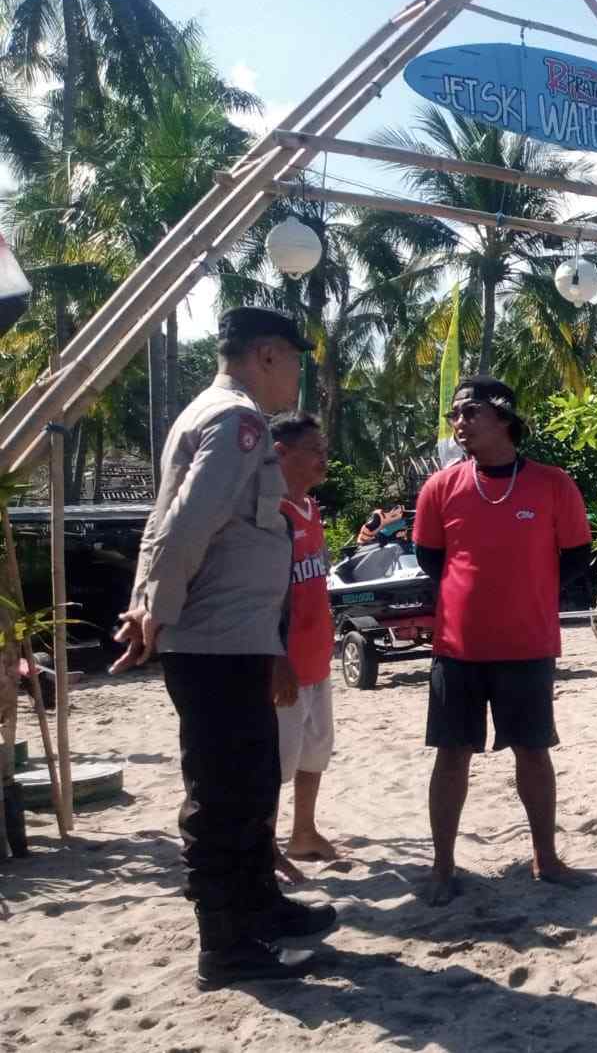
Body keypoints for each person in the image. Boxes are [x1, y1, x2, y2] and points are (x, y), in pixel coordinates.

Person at [112, 307, 335, 990]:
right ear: (266, 355)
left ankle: (260, 908)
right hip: (216, 641)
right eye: (293, 360)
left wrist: (148, 599)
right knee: (225, 793)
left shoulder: (213, 414)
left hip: (234, 638)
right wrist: (154, 608)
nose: (296, 376)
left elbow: (167, 522)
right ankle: (227, 943)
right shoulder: (237, 421)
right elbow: (185, 523)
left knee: (251, 781)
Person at [413, 375, 593, 904]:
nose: (459, 423)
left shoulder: (553, 484)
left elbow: (576, 556)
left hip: (527, 645)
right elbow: (431, 559)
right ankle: (442, 867)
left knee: (533, 751)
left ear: (504, 418)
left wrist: (528, 592)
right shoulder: (439, 487)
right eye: (454, 414)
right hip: (457, 647)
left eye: (470, 412)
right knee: (451, 755)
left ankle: (546, 858)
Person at [269, 412, 338, 881]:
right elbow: (265, 598)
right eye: (314, 450)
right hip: (284, 663)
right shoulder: (270, 514)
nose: (323, 459)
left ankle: (304, 832)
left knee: (315, 752)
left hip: (317, 659)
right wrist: (277, 659)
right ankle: (265, 843)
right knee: (274, 763)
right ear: (281, 453)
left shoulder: (310, 508)